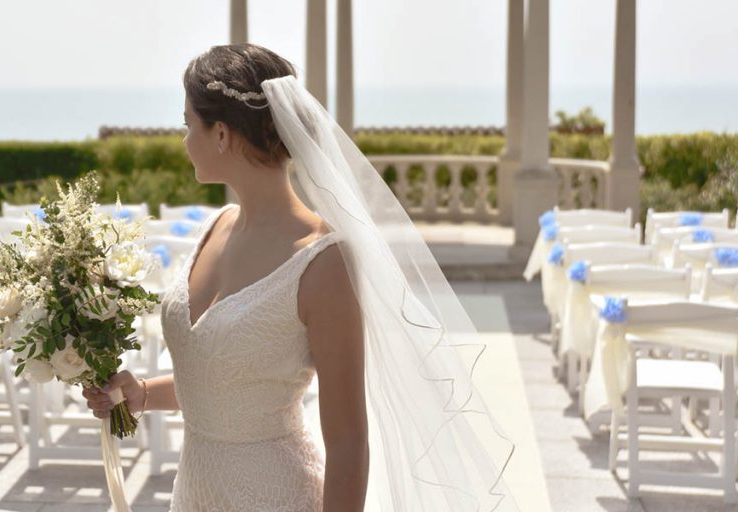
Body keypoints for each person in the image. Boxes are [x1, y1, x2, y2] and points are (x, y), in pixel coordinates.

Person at [84, 43, 516, 511]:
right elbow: (221, 382)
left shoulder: (322, 263)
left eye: (189, 124)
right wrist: (142, 393)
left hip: (277, 495)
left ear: (223, 134)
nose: (185, 139)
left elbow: (349, 441)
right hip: (194, 493)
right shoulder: (216, 226)